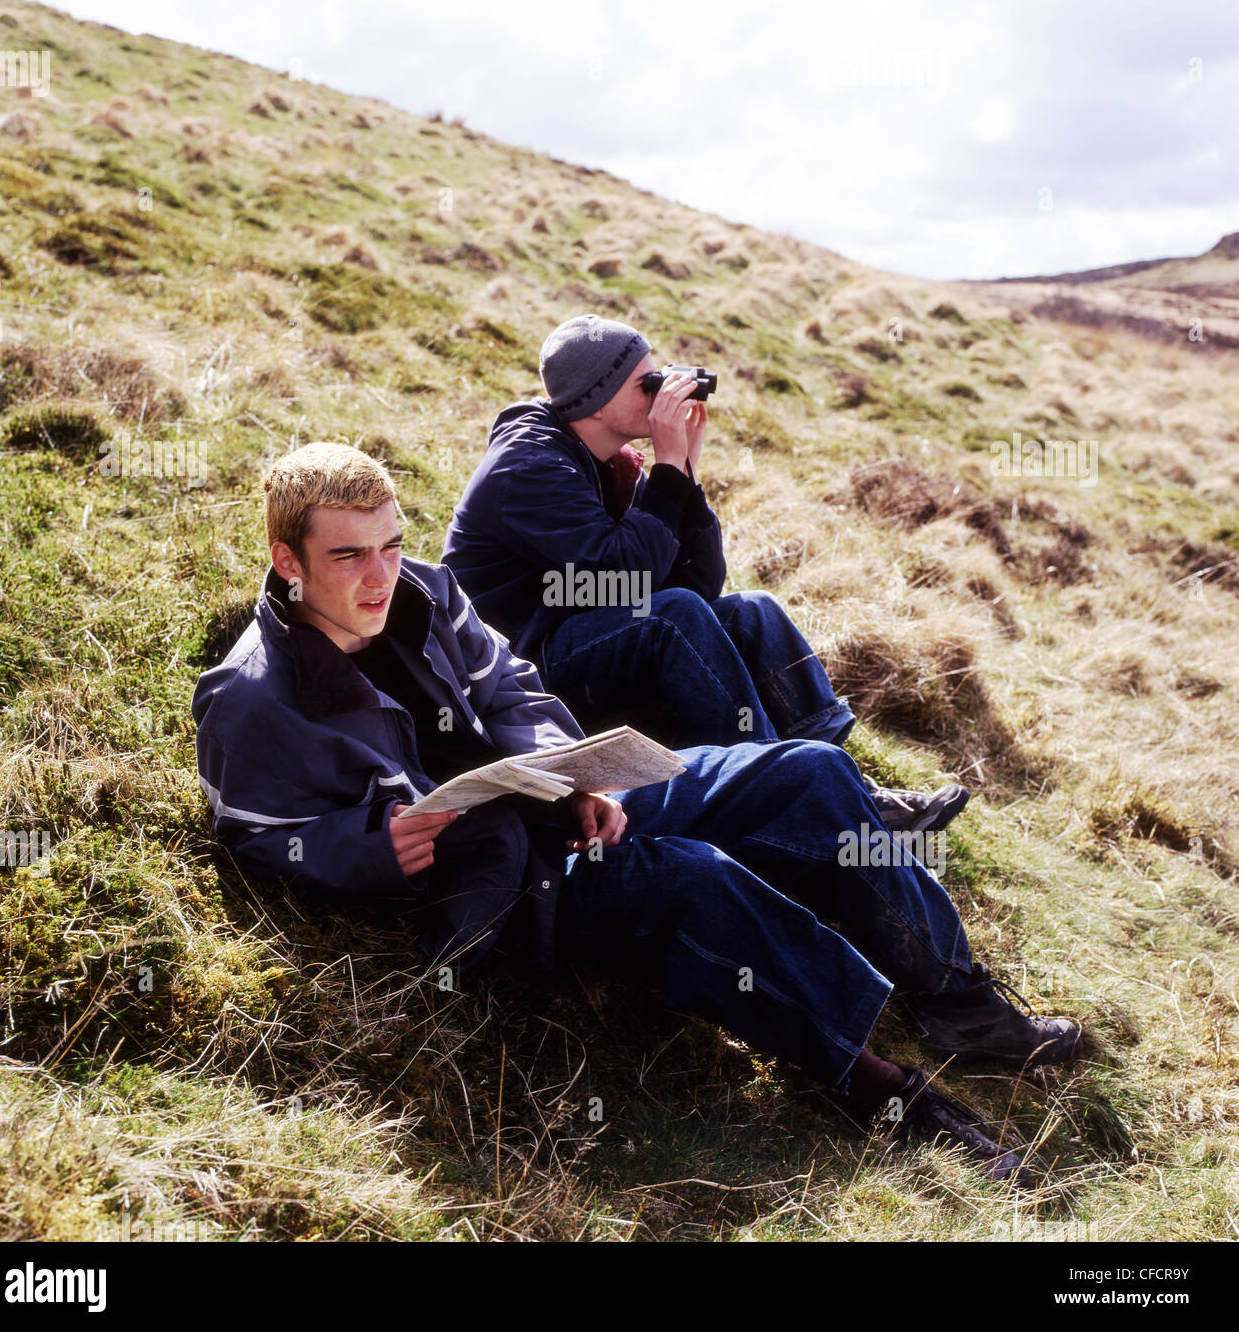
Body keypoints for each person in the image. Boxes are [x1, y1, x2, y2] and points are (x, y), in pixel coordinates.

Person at [192, 443, 1082, 1189]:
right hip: (494, 880)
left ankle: (957, 1002)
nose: (380, 575)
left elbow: (511, 683)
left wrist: (582, 779)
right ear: (287, 560)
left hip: (559, 802)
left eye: (390, 545)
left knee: (810, 771)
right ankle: (873, 1083)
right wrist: (370, 849)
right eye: (349, 557)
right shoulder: (249, 696)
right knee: (698, 878)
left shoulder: (423, 593)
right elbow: (255, 834)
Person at [441, 313, 968, 836]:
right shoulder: (528, 466)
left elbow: (699, 584)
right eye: (646, 382)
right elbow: (625, 575)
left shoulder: (605, 460)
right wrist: (666, 468)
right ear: (599, 400)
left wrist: (685, 472)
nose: (662, 390)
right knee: (672, 618)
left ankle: (846, 787)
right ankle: (789, 786)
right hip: (521, 673)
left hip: (580, 636)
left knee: (750, 611)